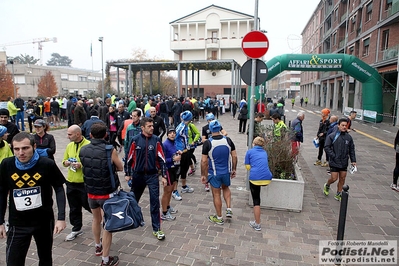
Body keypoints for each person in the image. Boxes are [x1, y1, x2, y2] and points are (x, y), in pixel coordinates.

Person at [0, 132, 66, 265]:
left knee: (45, 257)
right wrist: (0, 220)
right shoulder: (7, 165)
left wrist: (61, 218)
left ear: (34, 146)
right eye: (16, 149)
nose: (20, 153)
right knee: (13, 261)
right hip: (17, 223)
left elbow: (59, 188)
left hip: (43, 221)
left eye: (25, 148)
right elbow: (1, 192)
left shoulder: (46, 164)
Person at [80, 123, 122, 266]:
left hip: (91, 192)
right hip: (107, 193)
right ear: (105, 135)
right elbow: (120, 167)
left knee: (95, 219)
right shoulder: (110, 150)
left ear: (90, 135)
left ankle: (97, 245)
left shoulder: (83, 149)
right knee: (108, 225)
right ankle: (105, 259)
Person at [124, 117, 167, 240]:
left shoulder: (157, 140)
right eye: (149, 126)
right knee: (133, 199)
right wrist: (127, 173)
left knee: (154, 202)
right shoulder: (135, 140)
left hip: (153, 175)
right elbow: (129, 158)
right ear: (142, 128)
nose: (152, 128)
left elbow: (162, 159)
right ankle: (130, 219)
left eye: (152, 126)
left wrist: (164, 176)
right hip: (138, 175)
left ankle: (157, 228)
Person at [201, 120, 237, 225]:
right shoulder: (228, 140)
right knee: (226, 188)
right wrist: (234, 169)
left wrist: (204, 175)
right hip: (226, 171)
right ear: (220, 128)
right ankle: (229, 208)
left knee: (216, 194)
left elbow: (204, 161)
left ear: (211, 130)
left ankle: (219, 217)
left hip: (214, 173)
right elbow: (234, 156)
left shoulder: (208, 143)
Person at [62, 125, 91, 241]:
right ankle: (76, 228)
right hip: (71, 181)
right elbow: (63, 161)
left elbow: (92, 163)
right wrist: (67, 162)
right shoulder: (69, 146)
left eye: (70, 134)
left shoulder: (89, 145)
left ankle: (101, 217)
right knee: (74, 207)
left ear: (77, 134)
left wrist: (81, 165)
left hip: (84, 182)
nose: (67, 136)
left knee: (88, 204)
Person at [323, 118, 356, 201]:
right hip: (334, 161)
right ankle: (327, 185)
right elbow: (327, 147)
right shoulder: (332, 136)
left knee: (342, 178)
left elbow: (351, 149)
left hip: (344, 161)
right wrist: (333, 156)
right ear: (338, 126)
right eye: (343, 125)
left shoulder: (349, 138)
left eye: (346, 125)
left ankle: (338, 193)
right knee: (334, 178)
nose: (344, 127)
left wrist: (353, 160)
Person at [244, 136, 272, 231]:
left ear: (254, 144)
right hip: (267, 177)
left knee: (256, 201)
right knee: (258, 195)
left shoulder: (249, 152)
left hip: (255, 178)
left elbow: (247, 167)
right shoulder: (264, 152)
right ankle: (257, 221)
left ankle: (257, 223)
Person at [174, 111, 195, 199]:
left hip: (186, 151)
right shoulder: (181, 127)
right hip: (180, 152)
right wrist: (177, 149)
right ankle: (174, 191)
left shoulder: (185, 126)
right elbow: (174, 137)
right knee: (177, 172)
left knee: (185, 169)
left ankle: (184, 186)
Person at [161, 126, 180, 221]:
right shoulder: (165, 144)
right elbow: (162, 159)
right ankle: (164, 212)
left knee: (171, 189)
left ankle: (168, 207)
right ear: (167, 134)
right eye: (170, 132)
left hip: (173, 169)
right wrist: (172, 159)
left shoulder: (173, 143)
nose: (172, 134)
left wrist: (177, 153)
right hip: (167, 170)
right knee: (167, 191)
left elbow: (172, 153)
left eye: (174, 133)